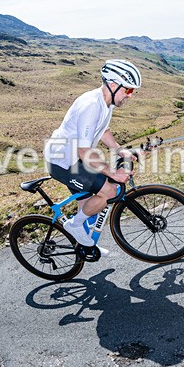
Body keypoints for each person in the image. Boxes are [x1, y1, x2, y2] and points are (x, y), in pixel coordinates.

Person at [43, 59, 143, 256]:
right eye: (128, 90)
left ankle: (85, 245)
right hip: (63, 161)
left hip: (75, 158)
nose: (130, 95)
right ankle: (73, 226)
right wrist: (112, 172)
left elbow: (104, 130)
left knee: (89, 205)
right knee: (109, 191)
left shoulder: (106, 102)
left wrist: (119, 150)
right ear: (113, 85)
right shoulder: (91, 105)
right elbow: (83, 152)